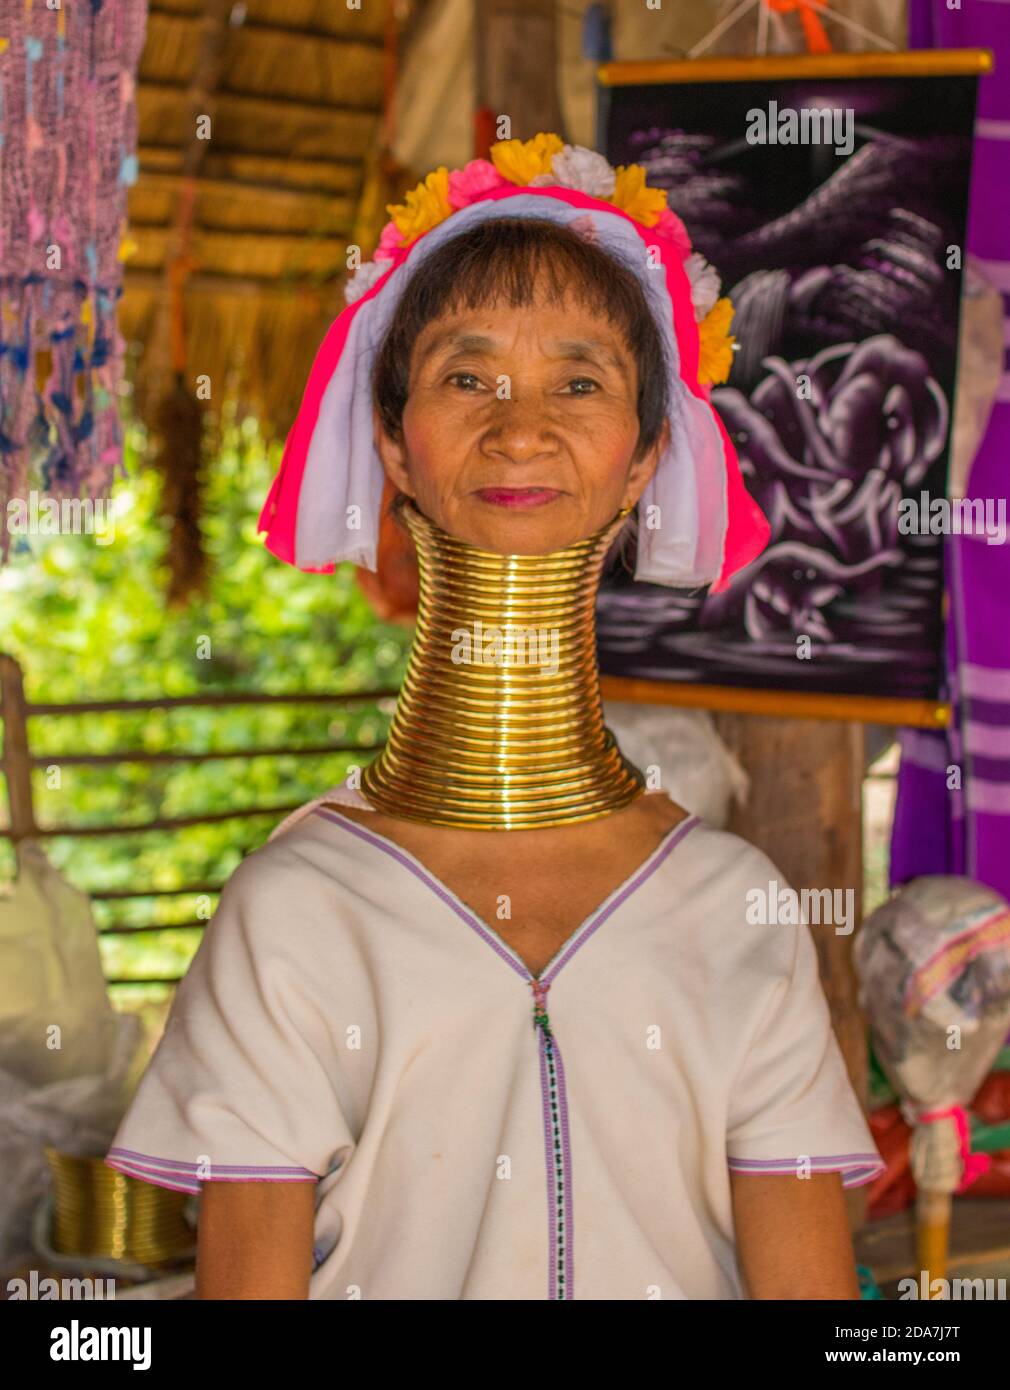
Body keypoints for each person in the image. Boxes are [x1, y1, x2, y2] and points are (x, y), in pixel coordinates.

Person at [106, 135, 884, 1300]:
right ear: (393, 445)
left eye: (579, 381)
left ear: (640, 458)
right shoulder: (298, 912)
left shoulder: (734, 911)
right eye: (466, 377)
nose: (520, 428)